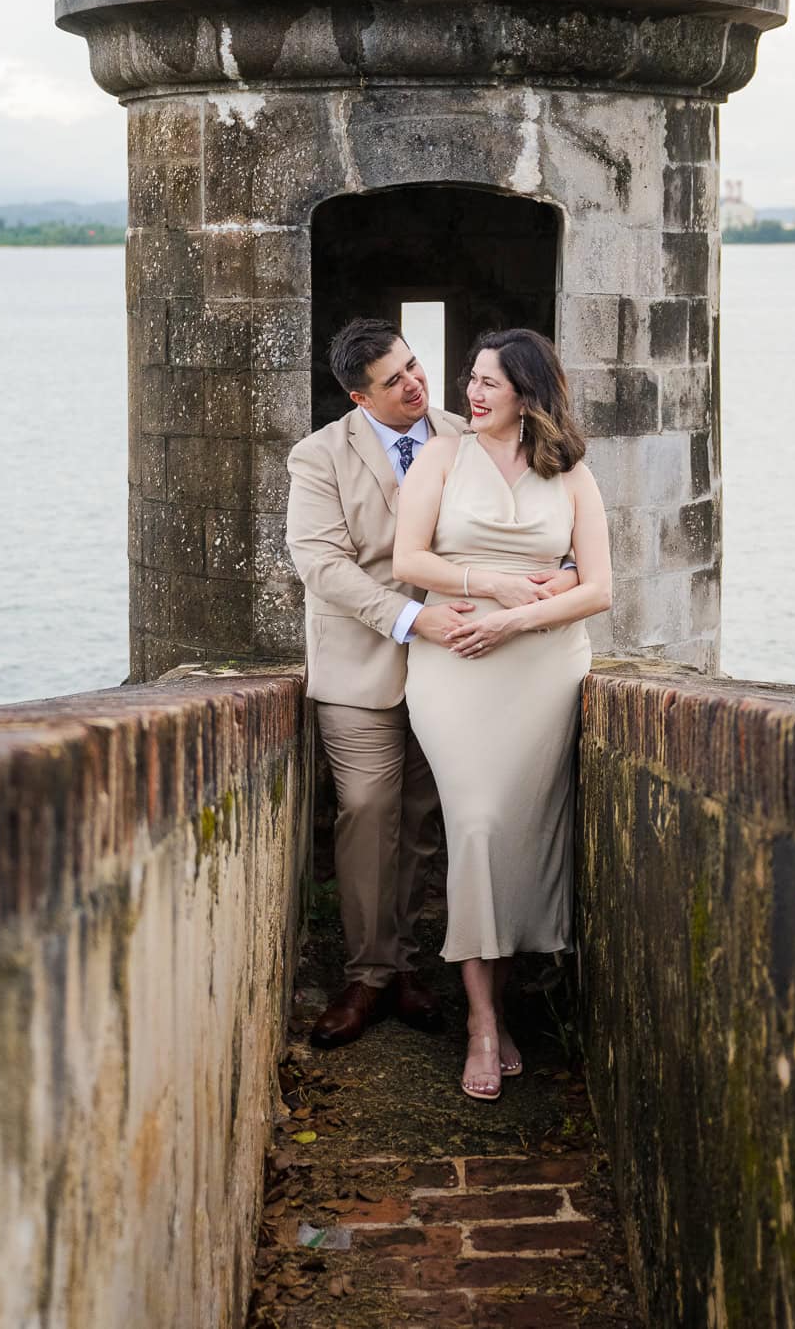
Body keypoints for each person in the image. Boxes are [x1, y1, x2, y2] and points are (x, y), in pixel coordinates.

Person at [394, 327, 612, 1101]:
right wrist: (492, 588)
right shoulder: (442, 457)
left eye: (488, 382)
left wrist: (518, 618)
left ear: (526, 390)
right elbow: (407, 561)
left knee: (519, 843)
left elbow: (599, 587)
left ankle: (506, 1008)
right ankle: (482, 1022)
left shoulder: (571, 469)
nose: (472, 393)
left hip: (543, 669)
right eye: (470, 380)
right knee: (479, 825)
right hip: (456, 662)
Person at [284, 319, 479, 1046]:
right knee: (367, 810)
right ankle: (365, 976)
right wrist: (407, 619)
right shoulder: (318, 457)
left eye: (415, 366)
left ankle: (402, 968)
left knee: (421, 821)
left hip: (455, 667)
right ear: (357, 395)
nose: (415, 385)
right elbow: (322, 566)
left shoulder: (464, 434)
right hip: (360, 664)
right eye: (394, 380)